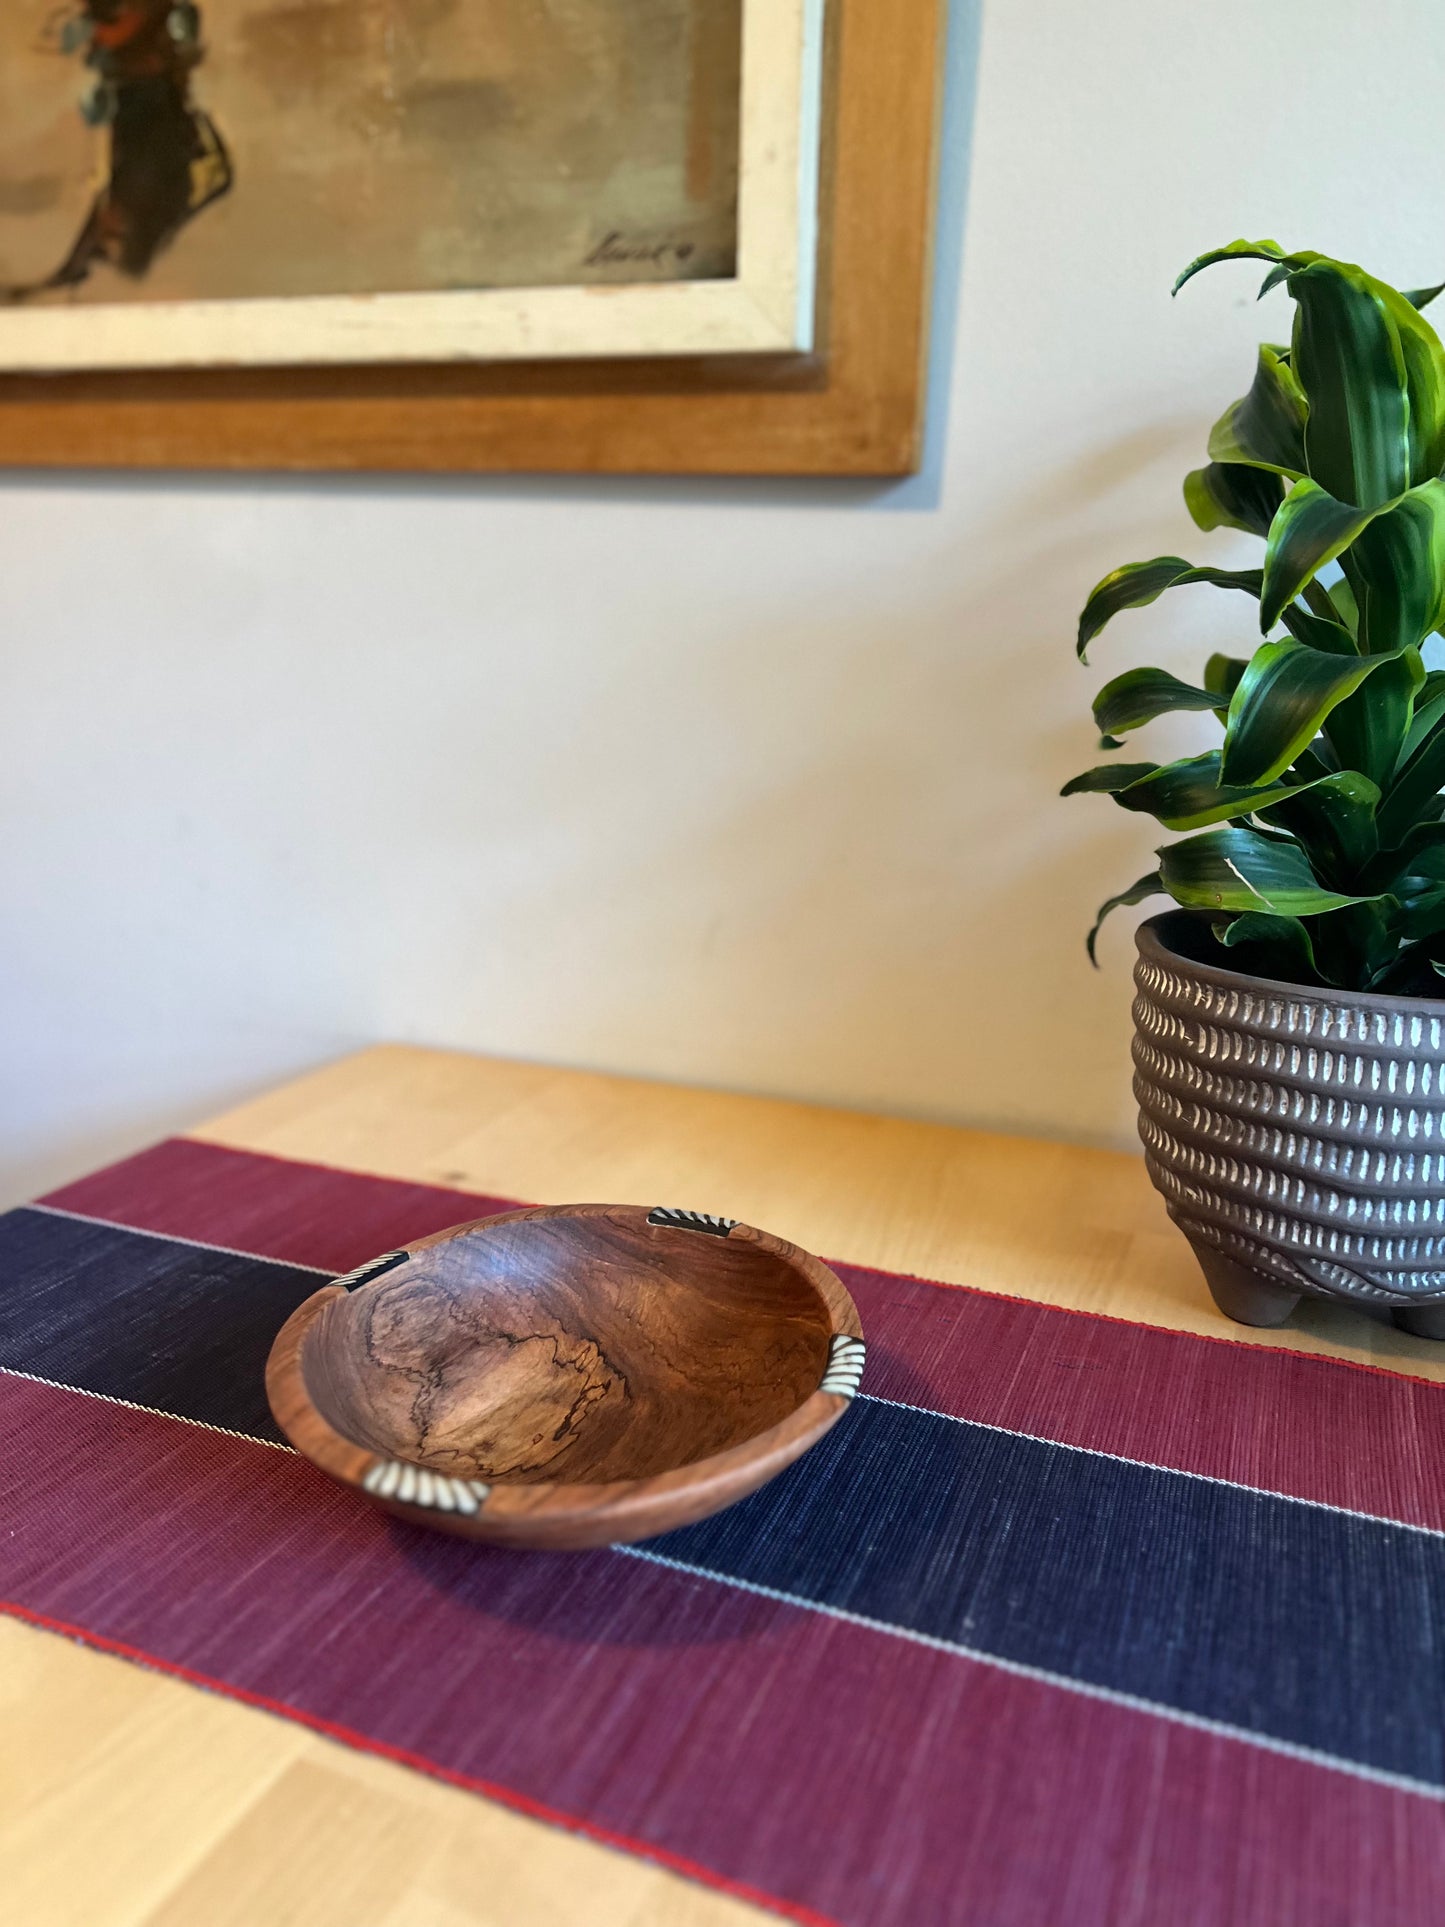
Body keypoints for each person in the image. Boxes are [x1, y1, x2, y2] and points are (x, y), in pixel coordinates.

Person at [6, 0, 231, 301]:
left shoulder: (157, 129)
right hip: (137, 110)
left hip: (154, 114)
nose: (94, 33)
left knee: (132, 207)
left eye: (103, 16)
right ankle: (84, 267)